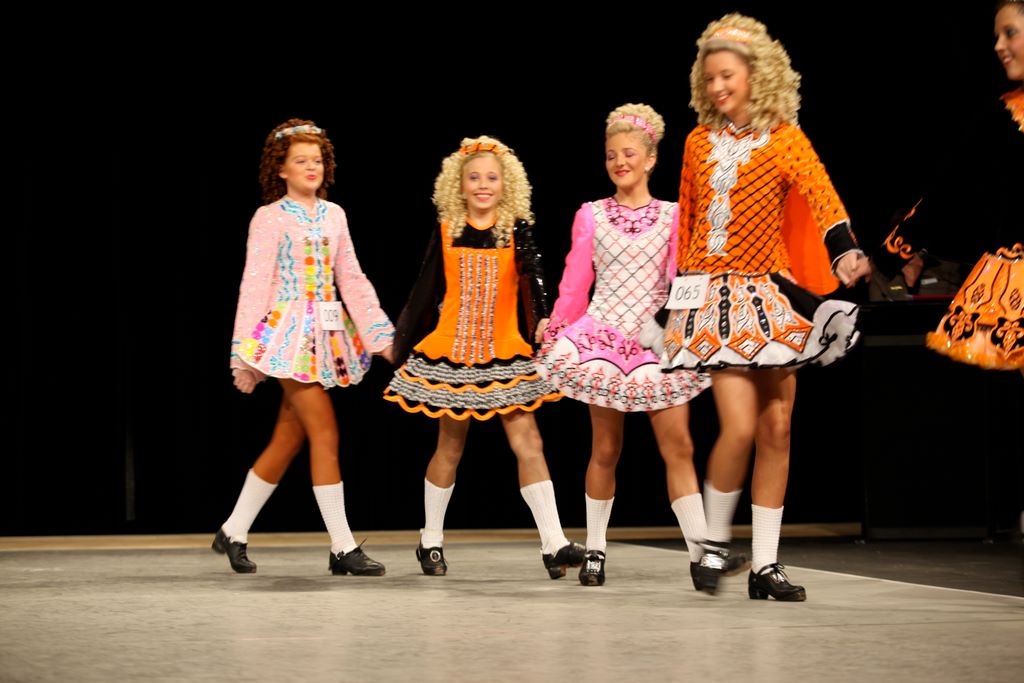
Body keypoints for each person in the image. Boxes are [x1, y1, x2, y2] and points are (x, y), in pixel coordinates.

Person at [648, 14, 871, 600]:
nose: (718, 86)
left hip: (768, 296)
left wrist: (845, 251)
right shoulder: (697, 143)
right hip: (712, 300)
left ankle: (765, 566)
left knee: (777, 427)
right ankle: (713, 545)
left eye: (728, 74)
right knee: (741, 425)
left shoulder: (784, 137)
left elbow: (822, 195)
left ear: (757, 75)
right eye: (710, 77)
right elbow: (689, 226)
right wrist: (676, 302)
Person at [536, 104, 722, 588]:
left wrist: (684, 327)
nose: (620, 162)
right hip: (603, 338)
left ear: (651, 159)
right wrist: (558, 324)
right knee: (606, 447)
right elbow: (576, 280)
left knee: (679, 446)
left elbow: (683, 279)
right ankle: (596, 550)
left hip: (656, 340)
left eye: (629, 153)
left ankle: (702, 555)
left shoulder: (674, 215)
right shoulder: (591, 214)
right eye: (611, 155)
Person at [384, 136, 583, 579]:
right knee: (450, 447)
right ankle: (430, 540)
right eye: (474, 177)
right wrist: (401, 344)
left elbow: (534, 279)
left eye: (491, 177)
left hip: (504, 351)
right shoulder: (447, 229)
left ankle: (554, 543)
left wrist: (543, 321)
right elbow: (425, 289)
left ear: (505, 183)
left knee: (529, 443)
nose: (483, 185)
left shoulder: (515, 229)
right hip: (453, 352)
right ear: (459, 184)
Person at [215, 119, 395, 576]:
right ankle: (342, 546)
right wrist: (243, 353)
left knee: (287, 438)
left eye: (316, 160)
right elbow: (254, 284)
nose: (311, 168)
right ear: (281, 169)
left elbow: (351, 277)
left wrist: (379, 336)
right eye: (301, 161)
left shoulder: (334, 215)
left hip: (325, 337)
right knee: (325, 433)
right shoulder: (270, 218)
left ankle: (233, 530)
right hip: (287, 337)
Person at [874, 0, 1022, 371]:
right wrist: (888, 256)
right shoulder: (1002, 115)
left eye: (1010, 33)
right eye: (997, 36)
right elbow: (948, 192)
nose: (999, 46)